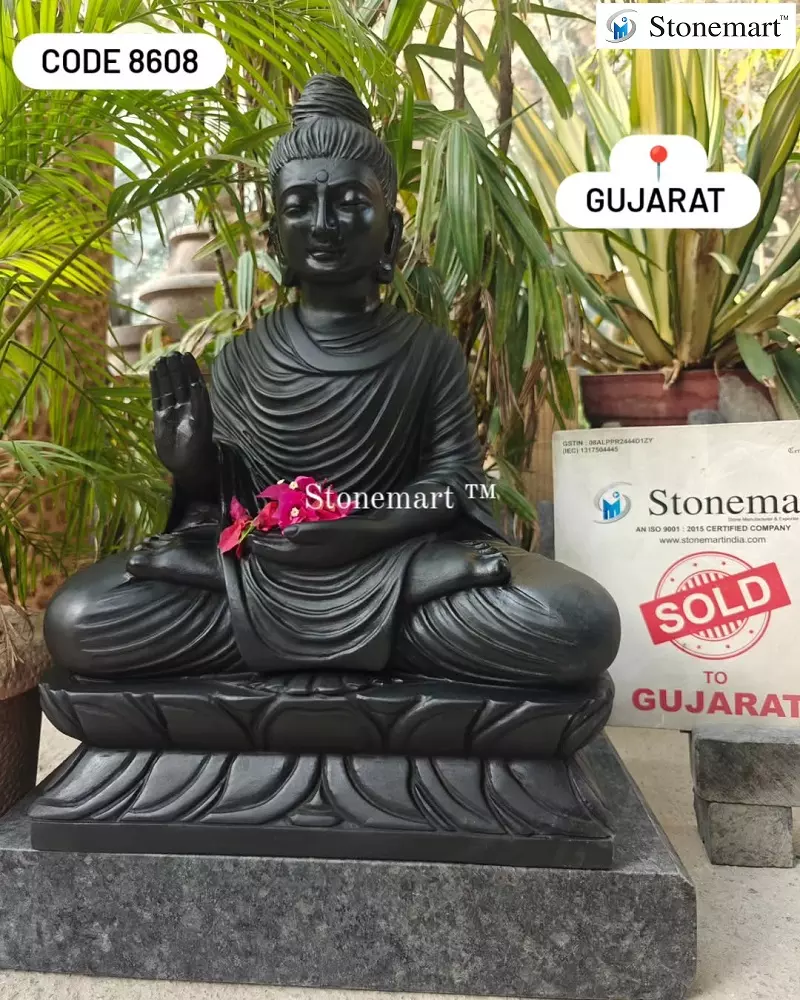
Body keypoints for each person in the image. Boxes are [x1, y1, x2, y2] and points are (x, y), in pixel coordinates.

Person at [44, 75, 620, 688]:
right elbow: (232, 508)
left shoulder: (427, 350)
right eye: (298, 206)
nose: (322, 224)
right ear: (274, 239)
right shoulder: (243, 357)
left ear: (391, 233)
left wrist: (363, 531)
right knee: (77, 618)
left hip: (389, 553)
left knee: (578, 622)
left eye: (348, 202)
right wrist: (193, 467)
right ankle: (371, 606)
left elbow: (451, 485)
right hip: (272, 564)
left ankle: (351, 603)